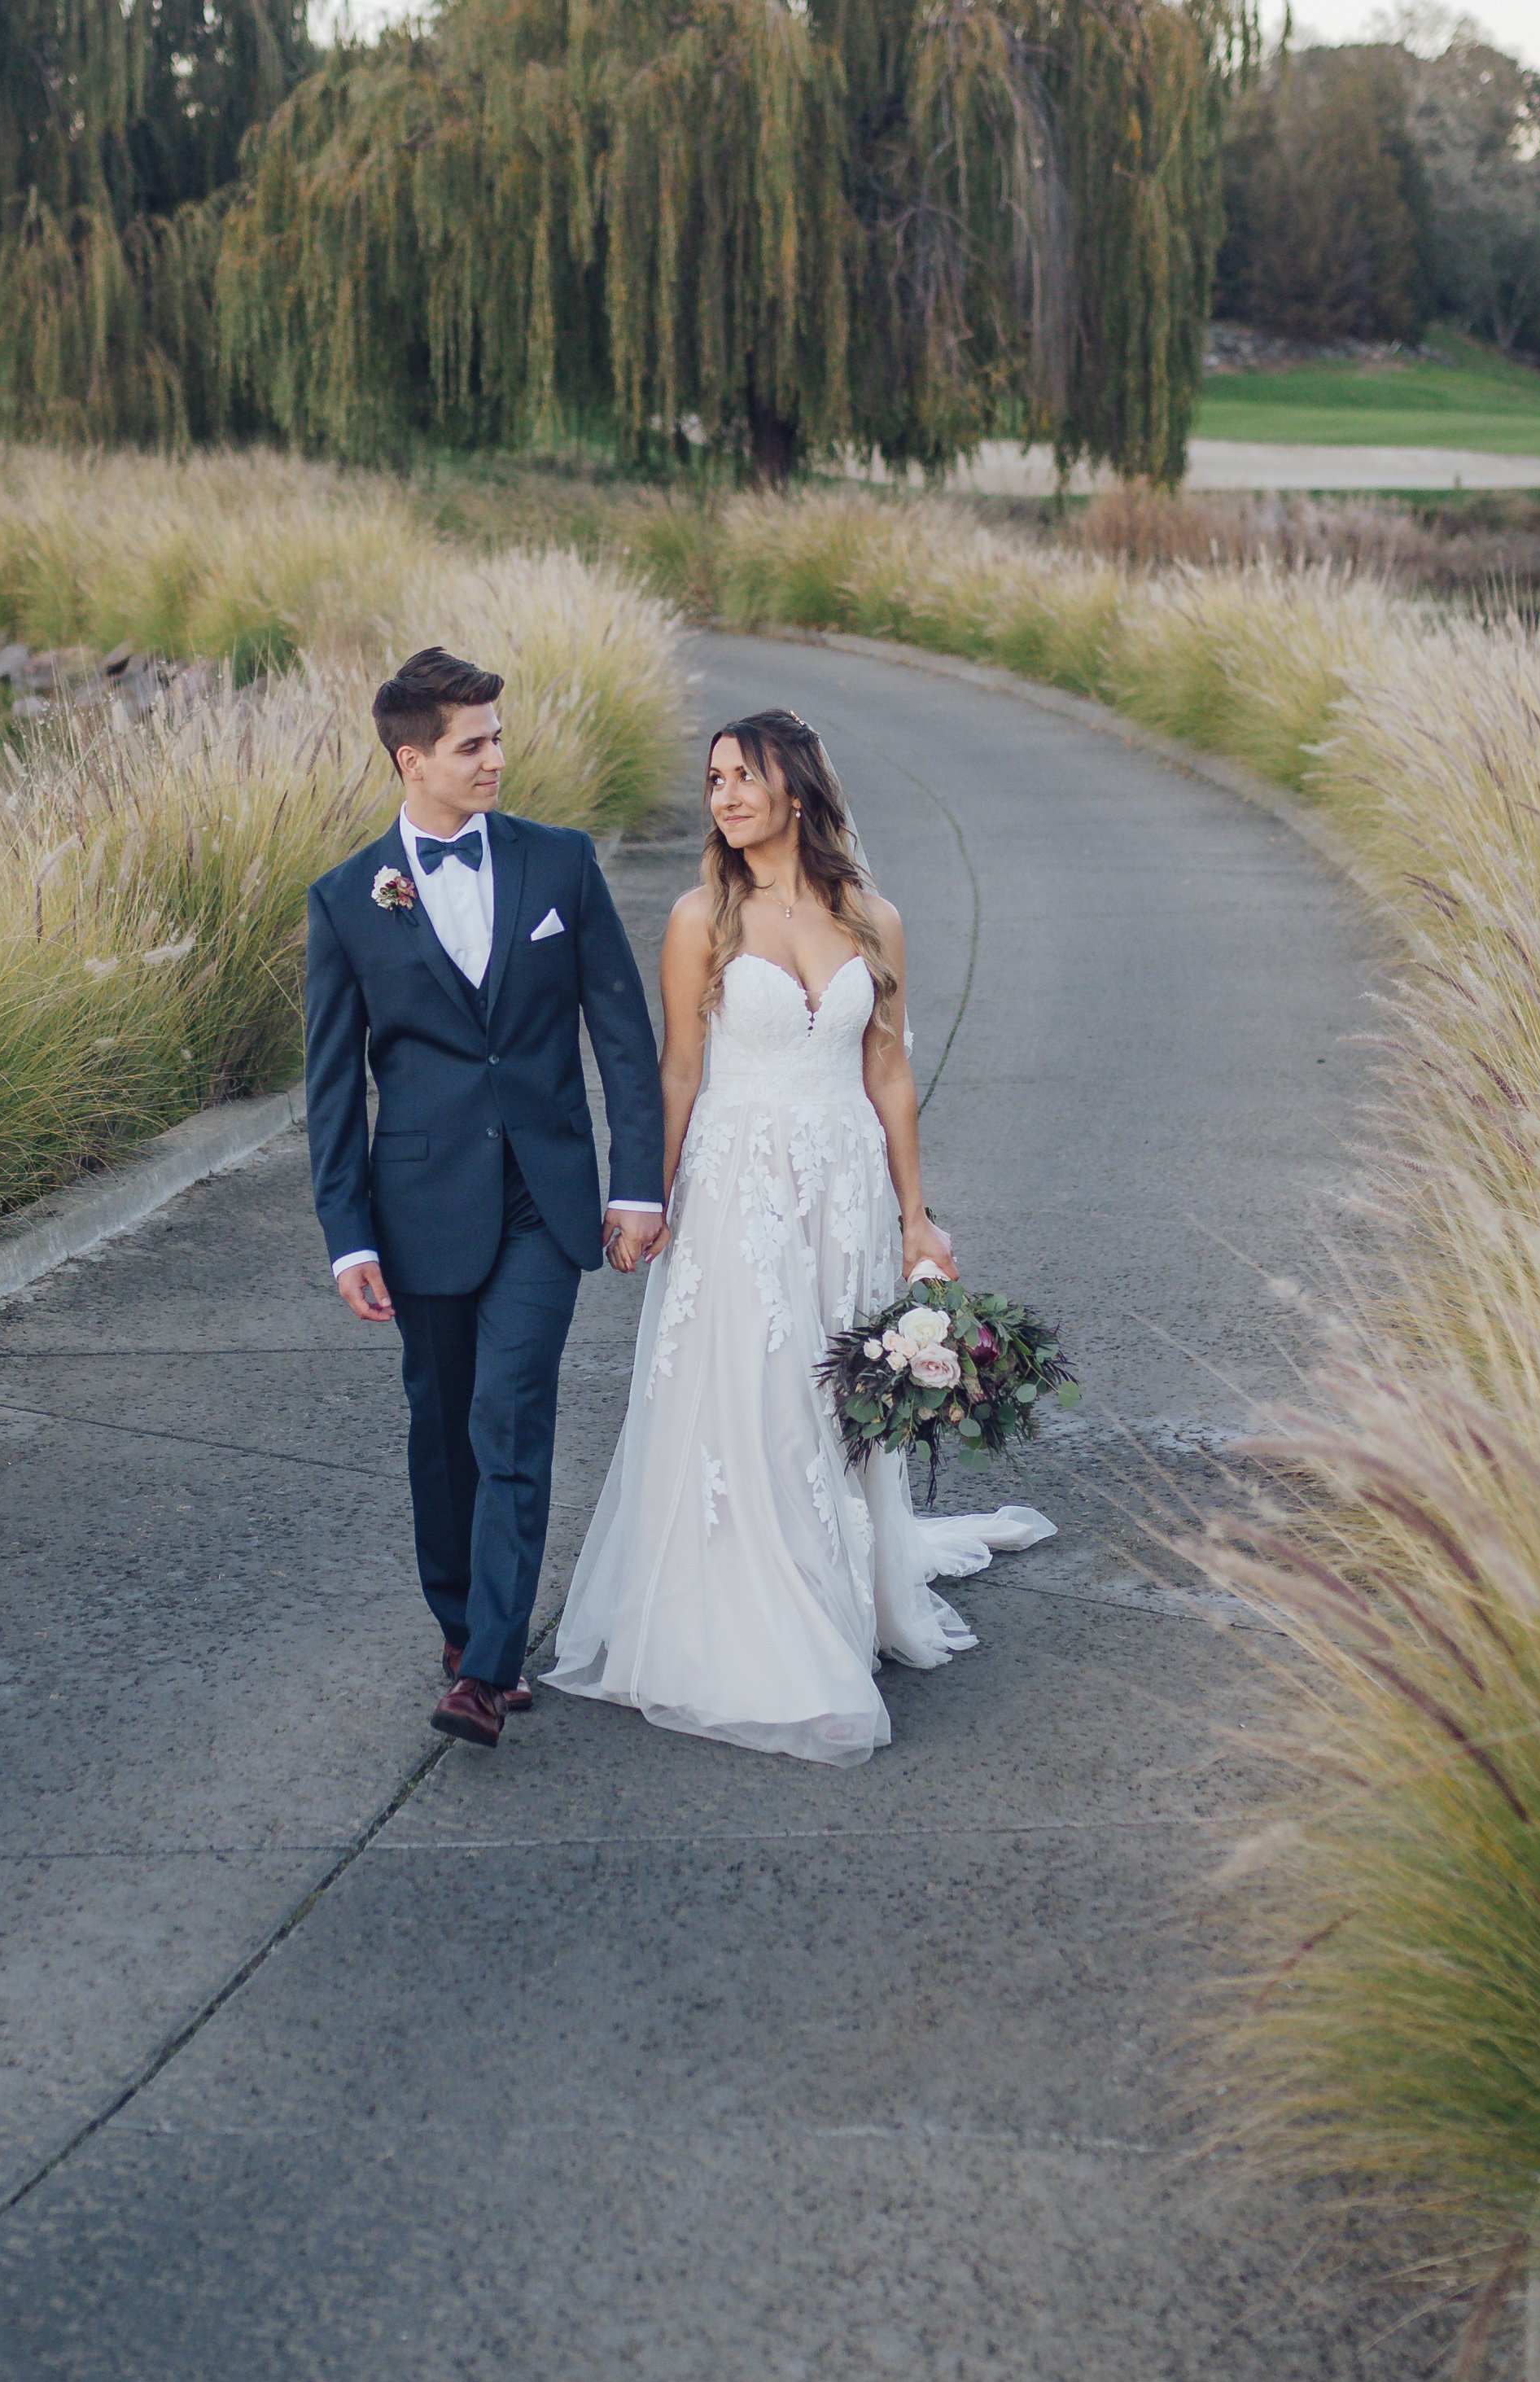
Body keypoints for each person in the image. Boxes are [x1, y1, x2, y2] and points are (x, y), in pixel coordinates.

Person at [541, 708, 1052, 1763]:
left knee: (833, 1403)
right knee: (759, 1397)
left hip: (848, 1188)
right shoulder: (700, 919)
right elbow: (679, 1067)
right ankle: (763, 1624)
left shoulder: (874, 919)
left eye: (743, 777)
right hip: (739, 1187)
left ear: (799, 793)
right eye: (714, 779)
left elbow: (890, 1073)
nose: (722, 795)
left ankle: (840, 1589)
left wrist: (917, 1218)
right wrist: (648, 1191)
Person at [304, 647, 667, 1749]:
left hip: (542, 1203)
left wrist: (637, 1183)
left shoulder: (561, 866)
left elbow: (622, 1036)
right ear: (413, 762)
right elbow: (330, 1090)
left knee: (511, 1413)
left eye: (498, 738)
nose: (496, 758)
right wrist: (345, 1236)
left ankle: (491, 1666)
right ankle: (462, 1623)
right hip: (419, 1210)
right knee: (442, 1428)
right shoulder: (346, 900)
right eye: (473, 744)